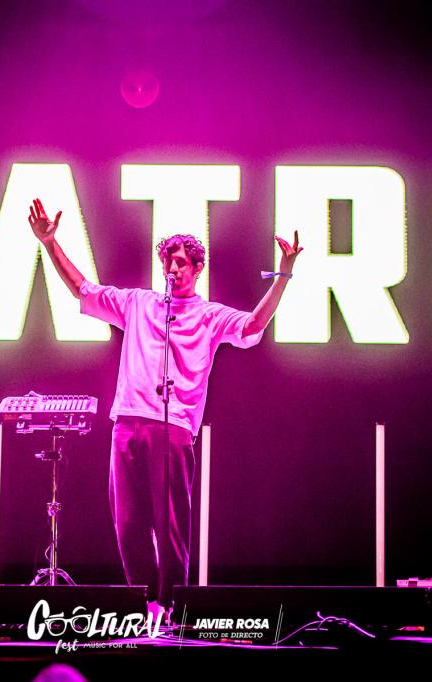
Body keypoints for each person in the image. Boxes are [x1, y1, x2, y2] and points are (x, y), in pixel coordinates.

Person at [28, 198, 302, 620]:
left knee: (170, 524)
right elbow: (84, 289)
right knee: (127, 523)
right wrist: (50, 244)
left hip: (172, 427)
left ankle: (172, 606)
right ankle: (144, 603)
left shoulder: (208, 315)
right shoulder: (139, 303)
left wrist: (282, 276)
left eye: (180, 263)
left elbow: (252, 325)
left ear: (197, 269)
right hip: (127, 423)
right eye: (167, 262)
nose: (172, 269)